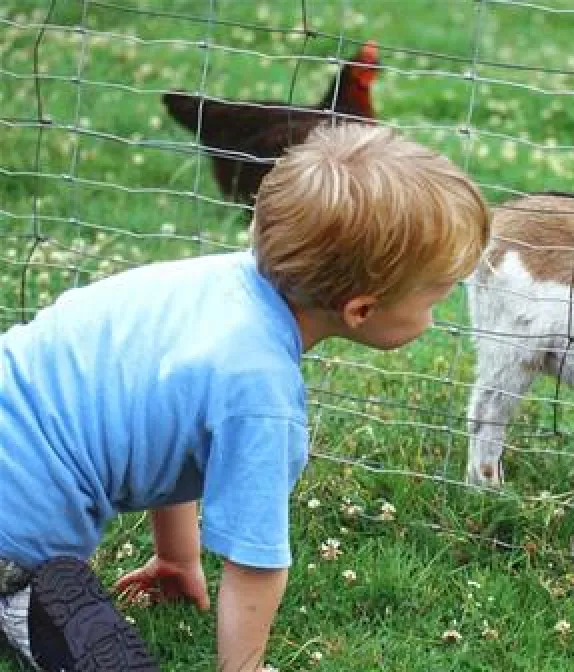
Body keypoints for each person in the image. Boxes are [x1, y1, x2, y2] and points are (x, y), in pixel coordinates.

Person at [0, 122, 491, 671]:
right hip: (16, 518)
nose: (435, 315)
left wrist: (177, 557)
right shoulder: (261, 391)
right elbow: (255, 563)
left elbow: (171, 429)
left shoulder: (215, 283)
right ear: (361, 310)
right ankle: (33, 602)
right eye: (435, 299)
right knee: (43, 594)